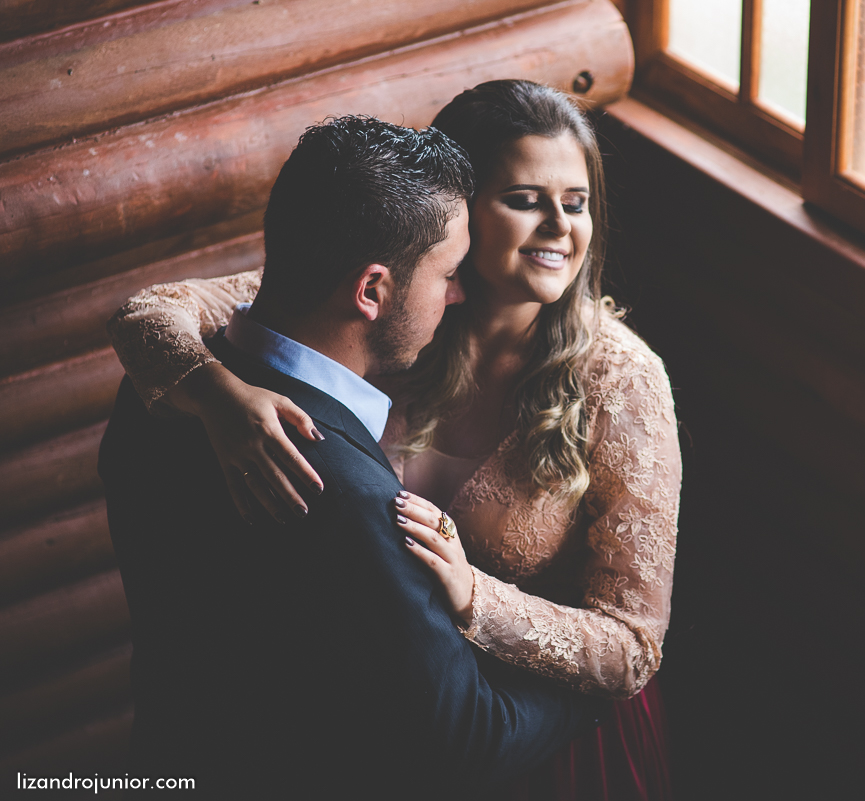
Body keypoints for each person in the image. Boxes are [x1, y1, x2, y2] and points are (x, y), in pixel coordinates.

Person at [107, 81, 681, 800]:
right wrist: (221, 396)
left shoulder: (624, 383)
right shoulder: (384, 305)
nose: (559, 229)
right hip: (376, 725)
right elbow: (151, 311)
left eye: (576, 202)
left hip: (537, 738)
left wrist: (478, 597)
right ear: (457, 209)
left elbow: (633, 645)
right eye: (527, 199)